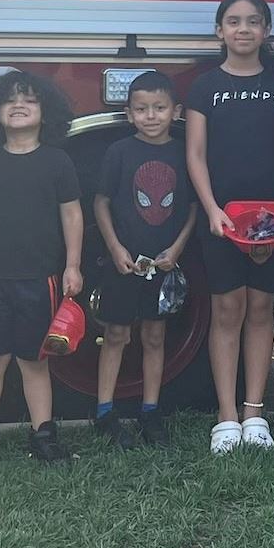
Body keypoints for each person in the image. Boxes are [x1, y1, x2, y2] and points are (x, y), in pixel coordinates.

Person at [185, 0, 274, 453]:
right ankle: (226, 416)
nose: (243, 29)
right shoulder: (203, 87)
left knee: (261, 311)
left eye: (254, 21)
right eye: (233, 21)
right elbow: (195, 154)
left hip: (271, 222)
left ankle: (255, 413)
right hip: (222, 223)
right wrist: (212, 209)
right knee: (226, 311)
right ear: (219, 31)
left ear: (266, 31)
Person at [0, 69, 84, 466]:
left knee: (34, 361)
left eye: (29, 99)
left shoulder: (57, 162)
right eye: (9, 100)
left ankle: (44, 436)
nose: (19, 105)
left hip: (40, 280)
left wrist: (73, 266)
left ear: (46, 111)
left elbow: (72, 216)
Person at [90, 71, 194, 449]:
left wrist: (178, 249)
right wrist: (116, 248)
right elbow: (101, 202)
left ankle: (151, 411)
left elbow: (193, 208)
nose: (151, 116)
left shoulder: (183, 153)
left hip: (163, 265)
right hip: (123, 262)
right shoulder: (118, 152)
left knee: (155, 334)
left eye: (159, 108)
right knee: (116, 333)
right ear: (129, 113)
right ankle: (104, 411)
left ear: (176, 111)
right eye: (142, 109)